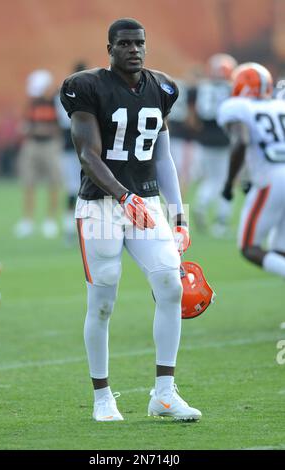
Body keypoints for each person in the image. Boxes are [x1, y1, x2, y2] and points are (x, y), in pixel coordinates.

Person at [60, 18, 201, 422]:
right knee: (103, 302)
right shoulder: (86, 86)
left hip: (146, 204)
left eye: (139, 43)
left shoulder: (163, 88)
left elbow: (163, 158)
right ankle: (103, 397)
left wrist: (180, 217)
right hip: (103, 207)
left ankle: (165, 393)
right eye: (124, 44)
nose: (134, 50)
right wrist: (124, 196)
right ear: (110, 48)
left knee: (170, 286)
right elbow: (88, 155)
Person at [218, 62, 285, 279]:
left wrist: (230, 183)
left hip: (272, 178)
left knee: (249, 247)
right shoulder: (279, 106)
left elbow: (241, 141)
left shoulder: (237, 106)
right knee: (279, 251)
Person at [190, 53, 238, 237]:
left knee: (211, 179)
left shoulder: (202, 87)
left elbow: (197, 116)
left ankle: (201, 203)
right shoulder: (232, 88)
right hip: (226, 140)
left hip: (205, 139)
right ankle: (221, 221)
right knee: (227, 181)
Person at [14, 70, 62, 239]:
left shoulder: (57, 102)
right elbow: (25, 124)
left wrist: (45, 129)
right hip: (32, 144)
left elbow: (61, 126)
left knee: (53, 182)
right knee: (28, 182)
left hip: (51, 145)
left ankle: (50, 220)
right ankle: (27, 220)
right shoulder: (32, 104)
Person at [55, 61, 88, 245]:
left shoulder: (65, 91)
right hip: (78, 145)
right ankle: (71, 228)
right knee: (75, 187)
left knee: (78, 187)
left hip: (79, 146)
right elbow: (67, 121)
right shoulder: (65, 92)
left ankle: (77, 228)